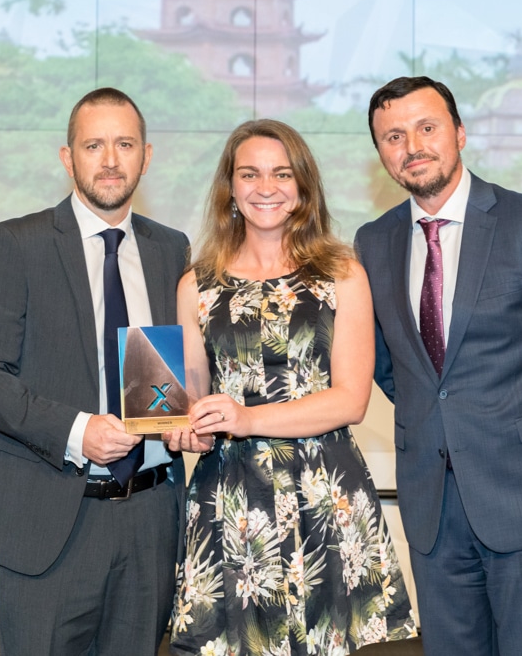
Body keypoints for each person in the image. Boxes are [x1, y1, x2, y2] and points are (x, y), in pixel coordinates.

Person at [354, 76, 522, 655]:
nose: (413, 146)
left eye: (427, 128)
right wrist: (441, 422)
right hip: (434, 510)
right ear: (380, 153)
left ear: (459, 132)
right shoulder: (373, 242)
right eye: (393, 136)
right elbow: (389, 364)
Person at [164, 119, 416, 655]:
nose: (266, 187)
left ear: (303, 186)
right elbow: (189, 404)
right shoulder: (196, 285)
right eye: (249, 173)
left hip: (322, 494)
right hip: (230, 499)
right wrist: (185, 432)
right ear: (229, 187)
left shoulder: (342, 273)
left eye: (282, 173)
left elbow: (351, 399)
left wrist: (248, 418)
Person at [0, 87, 190, 655]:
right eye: (94, 145)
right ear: (68, 157)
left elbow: (163, 379)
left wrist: (183, 418)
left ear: (147, 155)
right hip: (48, 521)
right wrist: (77, 430)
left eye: (124, 144)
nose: (110, 159)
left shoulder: (171, 250)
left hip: (149, 519)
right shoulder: (18, 243)